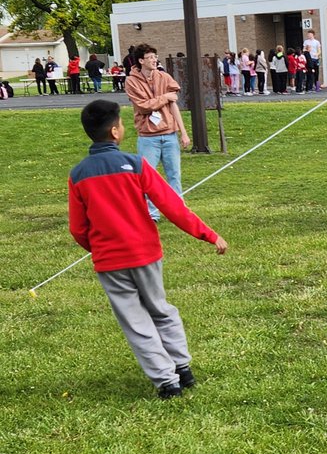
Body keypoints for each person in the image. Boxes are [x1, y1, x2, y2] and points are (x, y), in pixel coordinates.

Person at [68, 99, 227, 399]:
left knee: (136, 321)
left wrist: (99, 248)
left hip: (110, 263)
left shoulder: (78, 175)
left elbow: (78, 228)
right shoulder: (136, 164)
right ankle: (181, 370)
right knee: (161, 309)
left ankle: (168, 381)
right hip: (145, 255)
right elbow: (171, 206)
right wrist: (208, 234)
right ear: (115, 131)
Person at [124, 44, 191, 222]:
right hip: (148, 137)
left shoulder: (164, 77)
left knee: (174, 174)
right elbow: (143, 107)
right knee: (149, 177)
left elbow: (173, 104)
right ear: (140, 61)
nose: (154, 60)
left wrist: (183, 132)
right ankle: (152, 214)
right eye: (150, 57)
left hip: (169, 134)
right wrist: (165, 98)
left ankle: (178, 211)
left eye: (155, 56)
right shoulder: (131, 81)